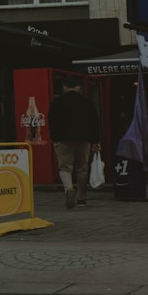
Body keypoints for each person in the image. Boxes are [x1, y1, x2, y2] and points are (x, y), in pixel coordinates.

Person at [48, 81, 100, 209]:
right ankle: (81, 198)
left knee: (65, 167)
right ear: (79, 87)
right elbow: (94, 122)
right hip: (84, 139)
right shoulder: (88, 102)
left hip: (64, 140)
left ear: (65, 87)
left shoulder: (57, 102)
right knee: (82, 168)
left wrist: (55, 138)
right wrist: (95, 141)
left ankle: (69, 189)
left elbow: (52, 120)